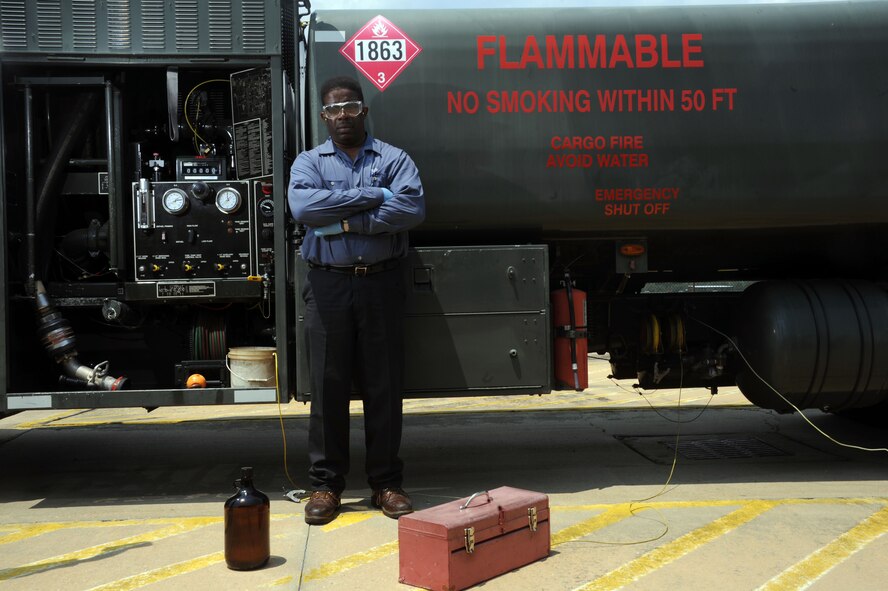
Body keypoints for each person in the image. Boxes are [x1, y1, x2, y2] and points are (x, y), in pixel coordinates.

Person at [288, 76, 425, 525]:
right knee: (328, 387)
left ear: (363, 110)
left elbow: (411, 210)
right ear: (323, 117)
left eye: (349, 106)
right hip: (328, 283)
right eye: (332, 109)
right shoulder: (308, 162)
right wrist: (373, 196)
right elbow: (305, 210)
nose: (341, 115)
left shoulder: (394, 157)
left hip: (382, 282)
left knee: (383, 384)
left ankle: (386, 482)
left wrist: (345, 221)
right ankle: (326, 485)